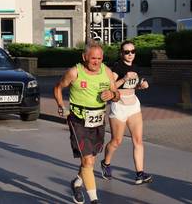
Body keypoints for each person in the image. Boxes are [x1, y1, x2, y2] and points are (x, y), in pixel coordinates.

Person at [54, 41, 120, 204]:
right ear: (84, 57)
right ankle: (94, 200)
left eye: (99, 58)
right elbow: (58, 88)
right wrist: (61, 106)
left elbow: (117, 94)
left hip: (98, 119)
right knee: (88, 160)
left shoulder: (107, 71)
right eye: (93, 58)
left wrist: (112, 95)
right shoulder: (74, 72)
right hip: (78, 120)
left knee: (90, 160)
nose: (96, 62)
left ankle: (77, 182)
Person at [101, 40, 153, 185]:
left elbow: (135, 84)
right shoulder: (117, 67)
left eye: (132, 51)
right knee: (116, 141)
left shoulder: (136, 66)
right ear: (121, 53)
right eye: (126, 52)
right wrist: (124, 78)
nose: (130, 54)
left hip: (133, 106)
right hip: (119, 106)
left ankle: (140, 174)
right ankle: (106, 163)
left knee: (138, 141)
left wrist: (142, 84)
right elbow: (110, 87)